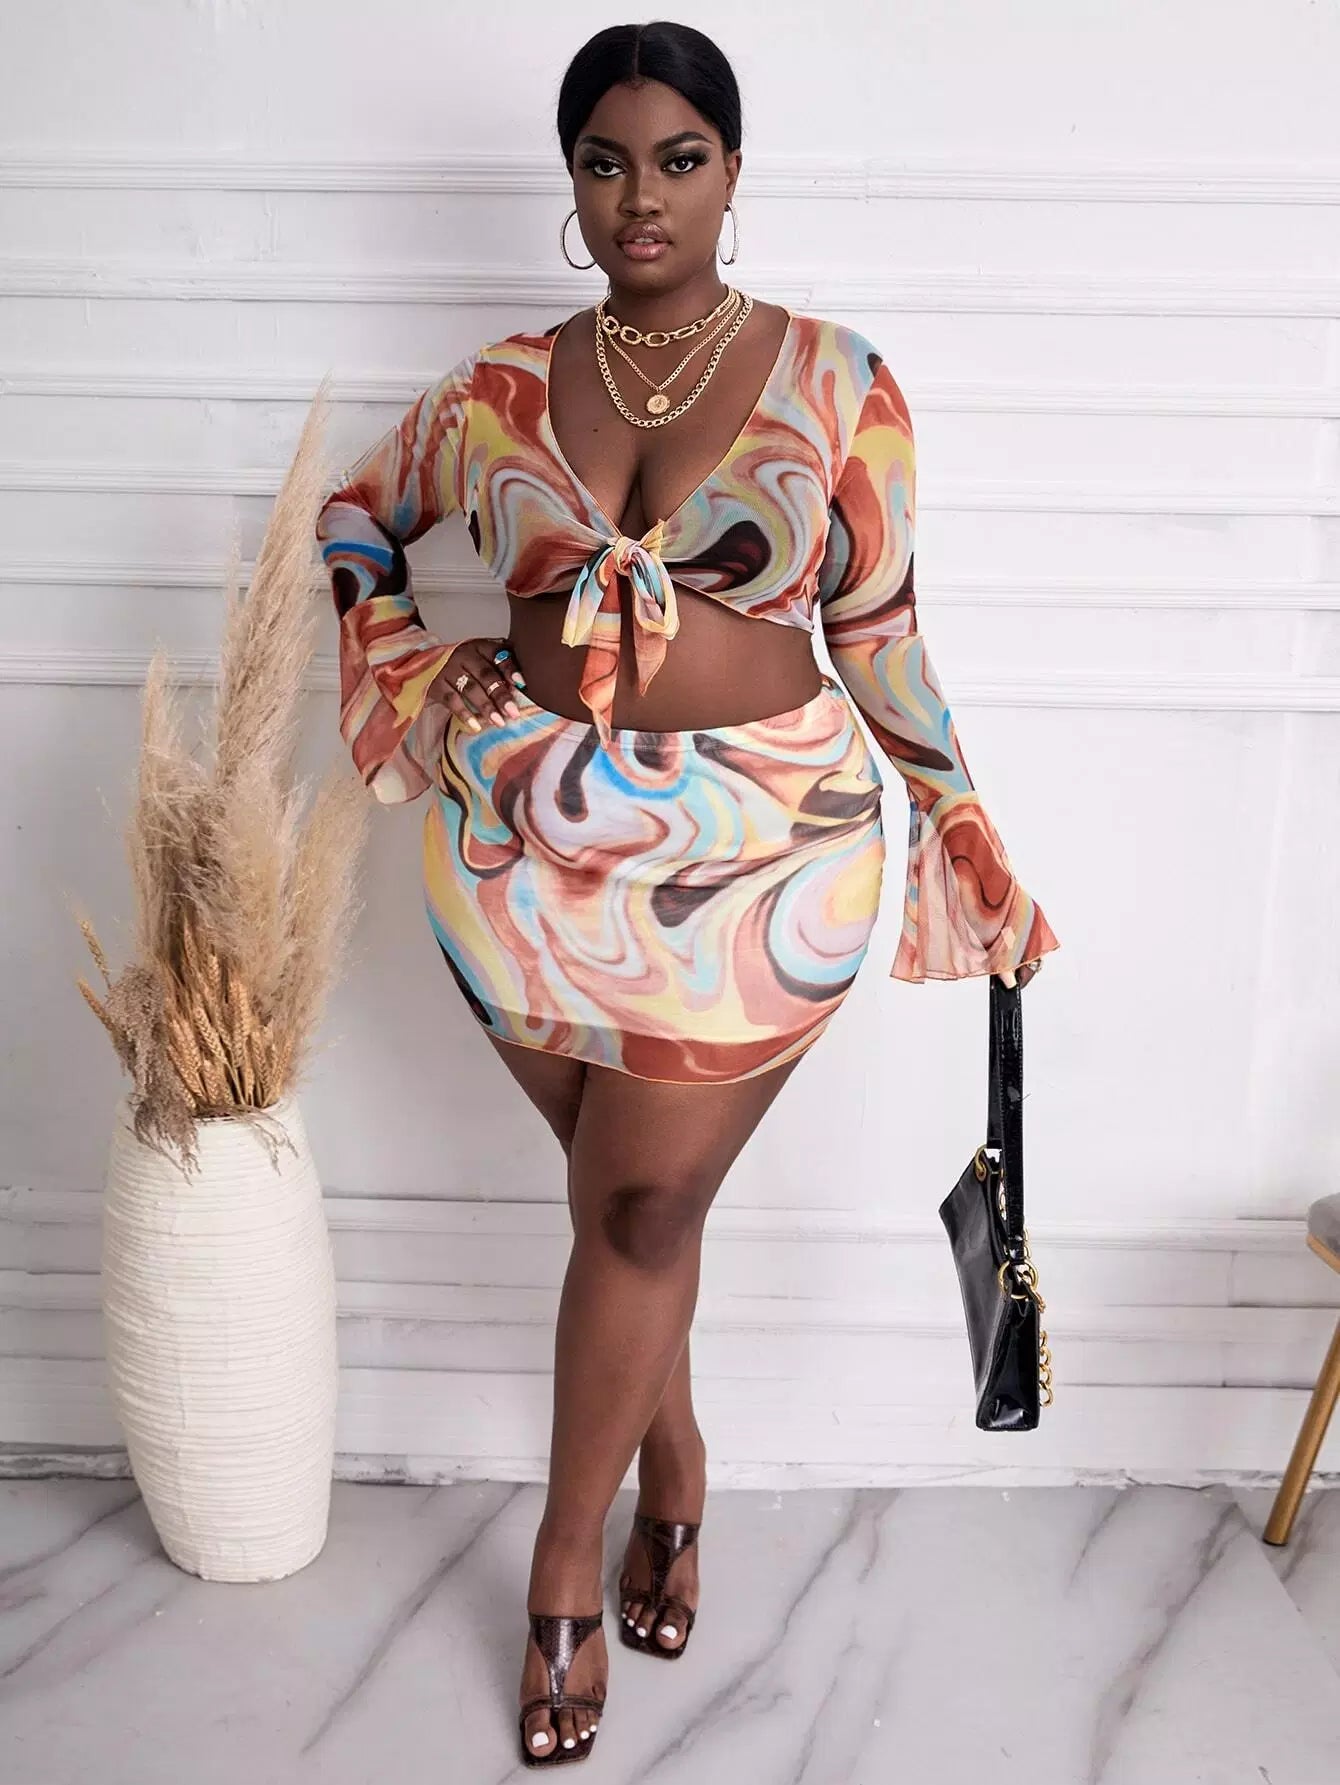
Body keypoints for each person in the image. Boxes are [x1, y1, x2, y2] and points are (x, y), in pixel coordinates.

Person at [315, 20, 1059, 1769]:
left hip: (763, 854)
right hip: (519, 852)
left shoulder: (839, 380)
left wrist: (961, 820)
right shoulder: (496, 390)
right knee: (628, 1212)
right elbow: (354, 519)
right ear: (570, 184)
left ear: (732, 171)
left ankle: (561, 1571)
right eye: (604, 162)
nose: (640, 196)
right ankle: (674, 1455)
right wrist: (417, 670)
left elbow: (881, 636)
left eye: (678, 159)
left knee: (641, 1210)